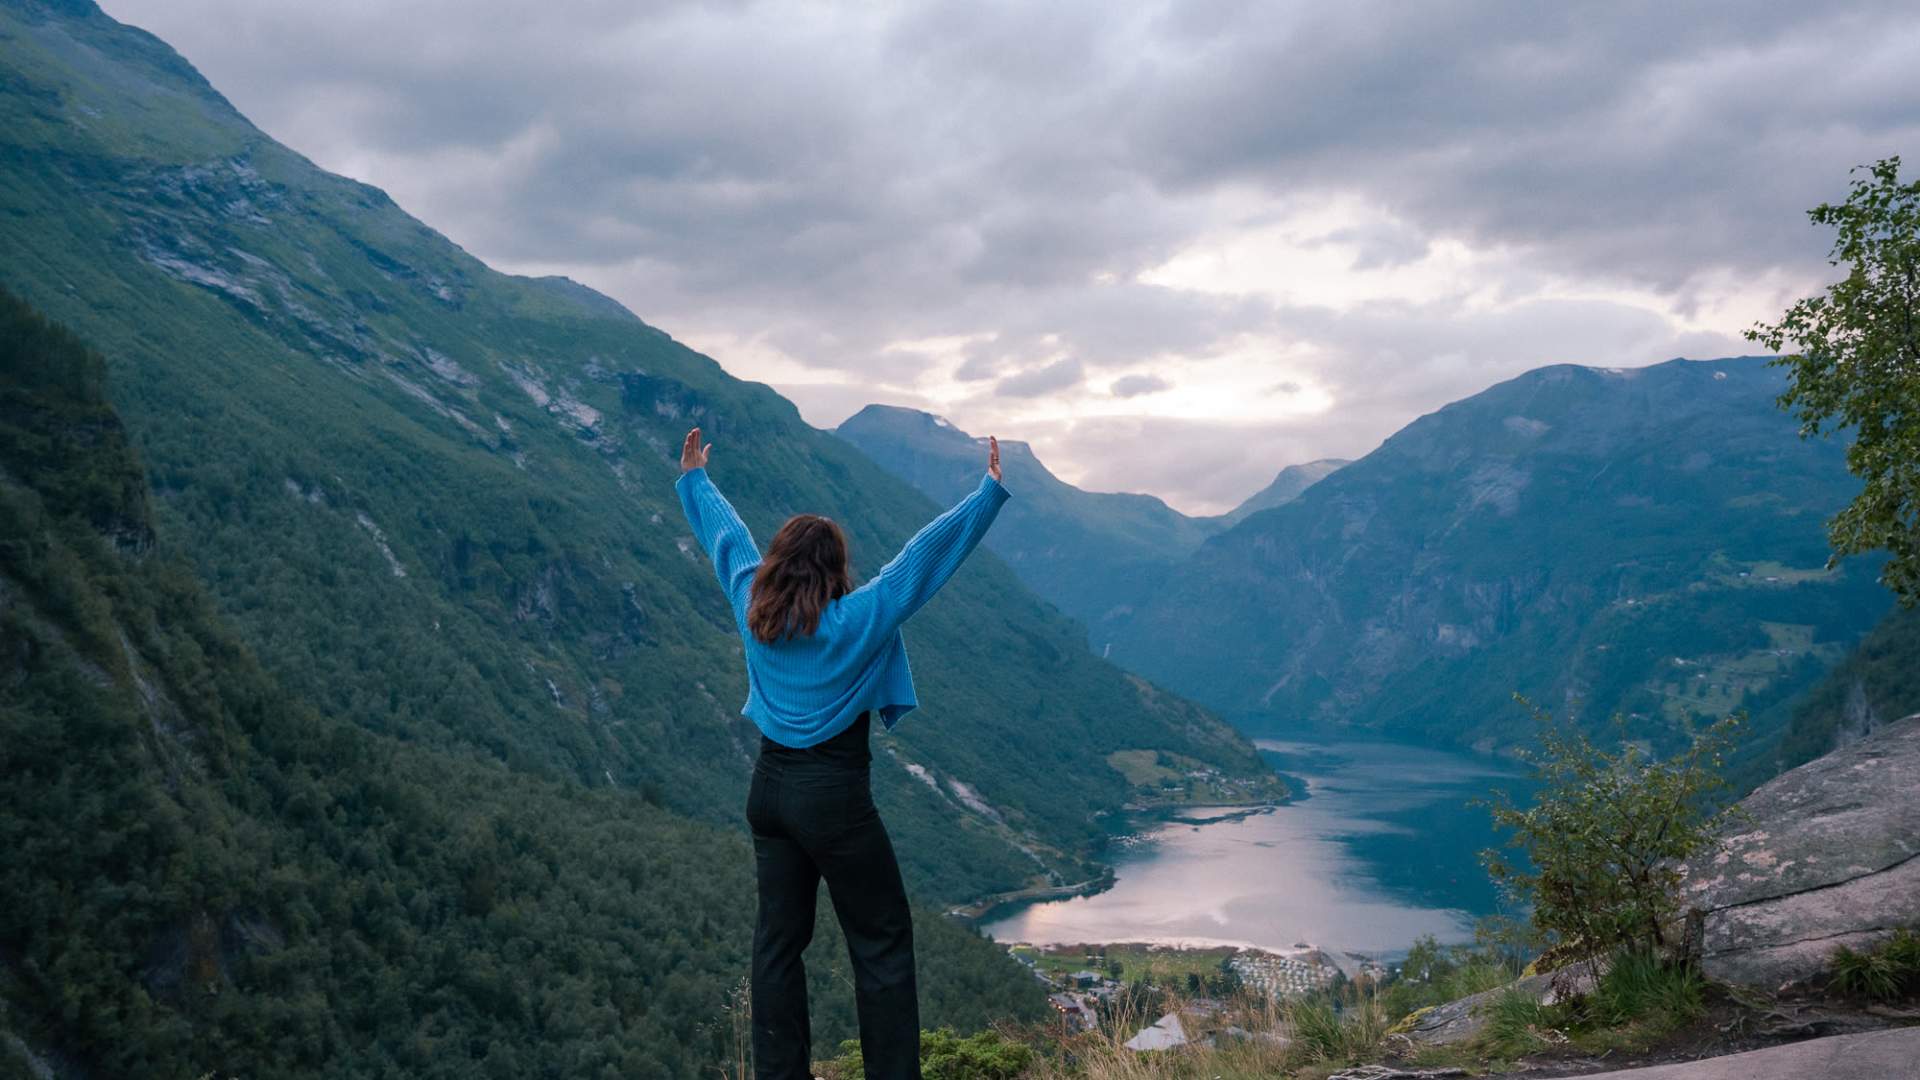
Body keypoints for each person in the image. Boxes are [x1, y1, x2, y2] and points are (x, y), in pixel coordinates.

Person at [675, 425, 1010, 1080]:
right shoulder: (858, 619)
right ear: (835, 570)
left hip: (768, 793)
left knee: (777, 947)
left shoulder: (753, 604)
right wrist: (986, 495)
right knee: (881, 942)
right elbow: (922, 560)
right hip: (834, 799)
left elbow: (727, 540)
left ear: (777, 563)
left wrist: (695, 480)